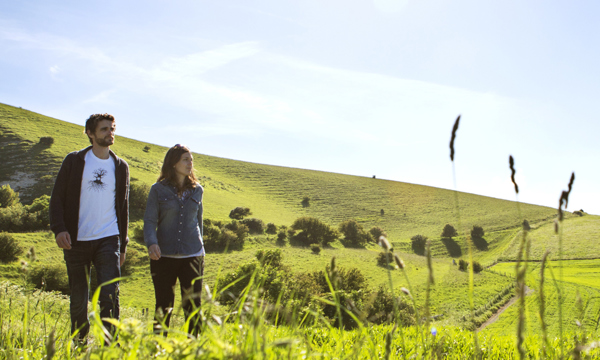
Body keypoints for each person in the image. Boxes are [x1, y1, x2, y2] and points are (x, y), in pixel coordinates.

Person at [49, 113, 129, 343]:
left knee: (109, 295)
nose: (110, 133)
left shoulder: (120, 166)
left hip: (109, 238)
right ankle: (79, 343)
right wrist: (59, 228)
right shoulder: (74, 161)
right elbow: (57, 199)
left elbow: (123, 209)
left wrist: (122, 245)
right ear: (90, 133)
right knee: (78, 297)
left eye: (112, 128)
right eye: (104, 129)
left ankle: (109, 346)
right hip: (76, 240)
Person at [144, 144, 204, 336]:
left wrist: (202, 250)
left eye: (191, 159)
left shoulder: (197, 190)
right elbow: (150, 220)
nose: (190, 163)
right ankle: (159, 349)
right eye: (185, 159)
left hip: (192, 255)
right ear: (173, 162)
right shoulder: (157, 190)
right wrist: (151, 243)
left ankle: (193, 351)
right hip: (164, 256)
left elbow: (198, 222)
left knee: (193, 307)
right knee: (163, 306)